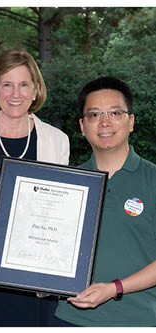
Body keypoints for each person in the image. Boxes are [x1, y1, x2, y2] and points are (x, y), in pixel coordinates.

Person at [0, 48, 69, 326]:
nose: (15, 94)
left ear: (35, 89)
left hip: (34, 274)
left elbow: (61, 212)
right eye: (7, 84)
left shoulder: (57, 141)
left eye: (23, 84)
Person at [53, 76, 156, 326]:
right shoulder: (65, 184)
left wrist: (114, 288)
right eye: (94, 115)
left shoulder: (153, 178)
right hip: (70, 318)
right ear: (82, 126)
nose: (104, 122)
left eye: (115, 113)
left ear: (130, 122)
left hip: (140, 319)